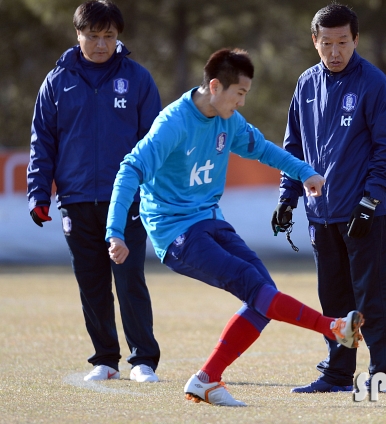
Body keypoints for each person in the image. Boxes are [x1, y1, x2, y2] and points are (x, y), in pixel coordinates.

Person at [105, 48, 364, 406]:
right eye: (239, 94)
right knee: (257, 290)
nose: (241, 103)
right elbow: (129, 169)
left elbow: (264, 150)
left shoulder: (229, 121)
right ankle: (333, 328)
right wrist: (115, 232)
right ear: (215, 86)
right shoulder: (173, 124)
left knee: (264, 296)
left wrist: (304, 172)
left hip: (211, 220)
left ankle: (207, 379)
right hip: (175, 232)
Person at [271, 3, 386, 393]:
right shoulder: (305, 84)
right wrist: (287, 197)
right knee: (333, 301)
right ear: (314, 41)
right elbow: (292, 148)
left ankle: (384, 376)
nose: (335, 51)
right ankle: (338, 374)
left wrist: (370, 202)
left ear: (356, 40)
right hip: (320, 217)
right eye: (326, 42)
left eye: (343, 42)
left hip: (363, 214)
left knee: (374, 299)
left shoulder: (374, 83)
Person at [27, 0, 161, 383]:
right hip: (76, 200)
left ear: (118, 37)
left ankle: (143, 361)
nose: (101, 44)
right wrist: (38, 194)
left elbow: (155, 142)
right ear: (78, 35)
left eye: (109, 36)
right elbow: (43, 143)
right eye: (93, 35)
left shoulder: (137, 78)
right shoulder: (56, 82)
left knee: (129, 277)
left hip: (128, 200)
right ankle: (105, 359)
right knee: (92, 282)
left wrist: (153, 193)